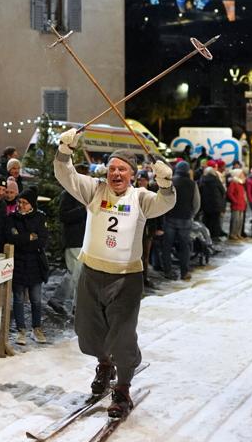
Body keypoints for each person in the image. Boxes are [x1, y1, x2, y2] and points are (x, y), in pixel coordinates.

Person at [54, 128, 175, 418]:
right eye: (112, 168)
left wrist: (166, 183)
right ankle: (104, 362)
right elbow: (65, 174)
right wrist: (64, 151)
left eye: (122, 169)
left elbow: (166, 202)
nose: (116, 174)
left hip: (126, 279)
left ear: (132, 173)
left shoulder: (141, 198)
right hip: (92, 274)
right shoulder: (94, 190)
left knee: (121, 335)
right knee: (87, 333)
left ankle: (122, 388)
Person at [3, 186, 49, 345]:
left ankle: (37, 328)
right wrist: (29, 237)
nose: (20, 205)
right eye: (19, 202)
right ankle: (21, 330)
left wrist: (22, 239)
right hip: (18, 264)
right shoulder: (12, 219)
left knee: (36, 299)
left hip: (35, 264)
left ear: (32, 204)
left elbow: (42, 240)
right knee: (18, 299)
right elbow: (10, 238)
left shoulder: (40, 218)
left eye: (24, 202)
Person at [48, 161, 89, 316]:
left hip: (85, 239)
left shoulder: (84, 193)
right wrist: (83, 210)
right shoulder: (68, 193)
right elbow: (63, 216)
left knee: (80, 274)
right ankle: (59, 301)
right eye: (83, 174)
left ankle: (75, 306)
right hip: (74, 239)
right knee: (74, 273)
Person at [162, 160, 200, 281]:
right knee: (185, 247)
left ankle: (167, 271)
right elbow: (196, 203)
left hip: (170, 219)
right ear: (188, 170)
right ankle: (184, 272)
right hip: (185, 220)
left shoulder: (170, 183)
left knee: (167, 246)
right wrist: (191, 214)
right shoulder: (192, 184)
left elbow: (164, 200)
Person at [199, 165, 226, 241]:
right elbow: (222, 191)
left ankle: (207, 236)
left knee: (206, 220)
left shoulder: (202, 180)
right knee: (215, 221)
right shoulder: (216, 180)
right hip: (216, 204)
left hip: (205, 204)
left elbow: (199, 191)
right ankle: (215, 236)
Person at [227, 169, 247, 240]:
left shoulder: (241, 183)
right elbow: (230, 193)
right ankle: (232, 234)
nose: (243, 175)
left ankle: (238, 234)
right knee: (235, 220)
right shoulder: (234, 182)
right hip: (236, 205)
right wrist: (235, 201)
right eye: (241, 174)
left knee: (240, 220)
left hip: (241, 204)